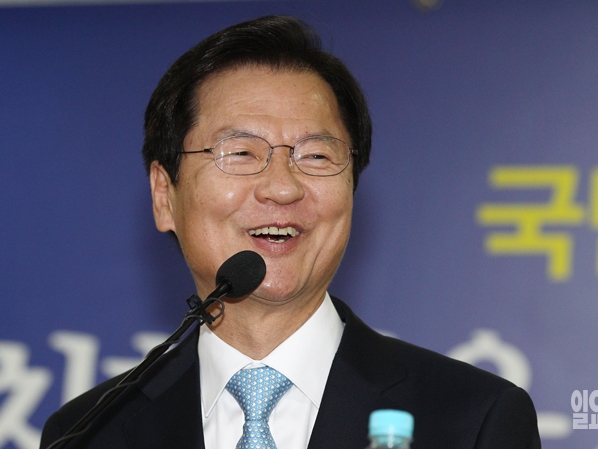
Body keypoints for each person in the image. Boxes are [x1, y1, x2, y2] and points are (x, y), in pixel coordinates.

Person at [40, 15, 541, 449]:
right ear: (163, 195)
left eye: (317, 156)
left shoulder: (474, 419)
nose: (282, 188)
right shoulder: (89, 432)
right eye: (241, 153)